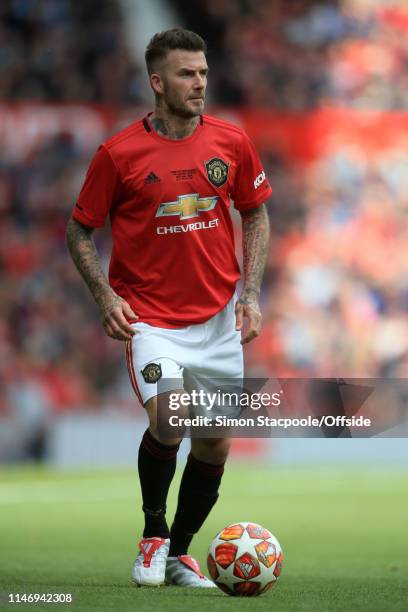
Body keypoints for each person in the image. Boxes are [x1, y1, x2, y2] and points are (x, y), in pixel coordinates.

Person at [66, 28, 271, 588]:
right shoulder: (119, 153)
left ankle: (180, 554)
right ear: (158, 82)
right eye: (187, 73)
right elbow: (80, 230)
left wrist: (250, 294)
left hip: (217, 323)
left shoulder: (231, 142)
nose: (199, 82)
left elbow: (254, 212)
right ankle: (153, 535)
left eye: (203, 72)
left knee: (216, 440)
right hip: (151, 322)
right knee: (171, 419)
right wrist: (105, 297)